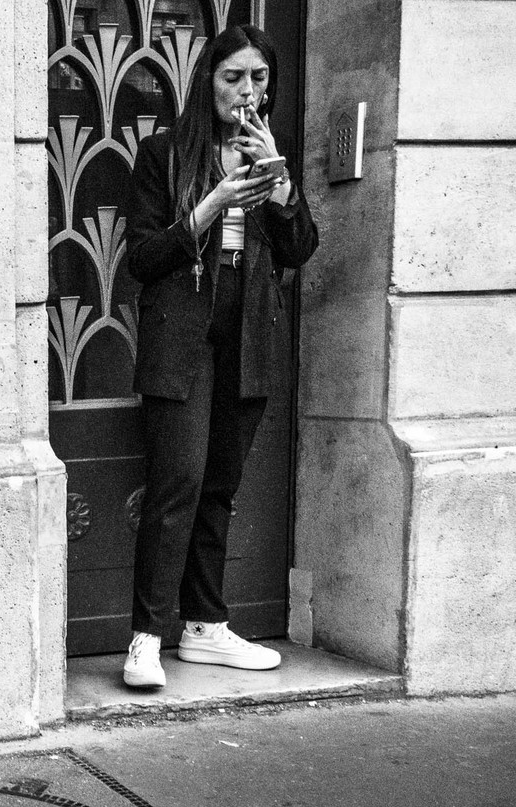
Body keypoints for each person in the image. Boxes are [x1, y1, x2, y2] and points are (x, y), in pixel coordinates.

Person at [121, 25, 318, 689]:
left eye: (259, 79)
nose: (246, 92)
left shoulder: (270, 158)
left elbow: (300, 250)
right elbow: (143, 258)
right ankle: (146, 637)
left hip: (248, 334)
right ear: (208, 81)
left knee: (219, 486)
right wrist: (211, 205)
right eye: (233, 77)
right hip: (182, 335)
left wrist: (280, 185)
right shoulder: (163, 154)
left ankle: (204, 626)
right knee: (176, 483)